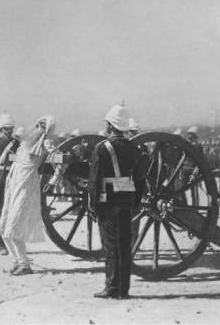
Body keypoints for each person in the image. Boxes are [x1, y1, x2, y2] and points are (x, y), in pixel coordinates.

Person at [88, 104, 141, 299]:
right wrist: (137, 201)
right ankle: (123, 289)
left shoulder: (102, 148)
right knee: (124, 245)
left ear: (110, 126)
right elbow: (140, 178)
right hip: (127, 201)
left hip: (107, 202)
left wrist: (93, 205)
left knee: (110, 246)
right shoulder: (134, 148)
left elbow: (94, 180)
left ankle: (111, 287)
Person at [0, 115, 56, 275]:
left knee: (13, 228)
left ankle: (25, 265)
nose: (37, 128)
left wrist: (55, 179)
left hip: (26, 187)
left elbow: (60, 159)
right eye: (37, 125)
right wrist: (3, 158)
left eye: (41, 127)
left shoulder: (45, 143)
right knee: (2, 227)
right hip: (13, 185)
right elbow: (17, 158)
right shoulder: (26, 142)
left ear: (46, 130)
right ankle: (16, 261)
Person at [0, 113, 20, 254]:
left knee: (14, 213)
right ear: (1, 129)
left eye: (10, 128)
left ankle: (12, 243)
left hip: (13, 179)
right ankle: (1, 244)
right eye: (6, 128)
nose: (9, 131)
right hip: (0, 179)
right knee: (0, 213)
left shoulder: (17, 143)